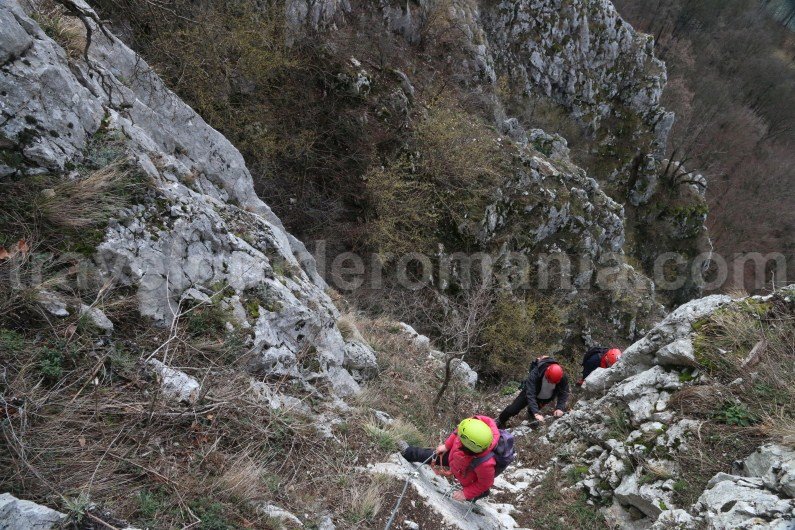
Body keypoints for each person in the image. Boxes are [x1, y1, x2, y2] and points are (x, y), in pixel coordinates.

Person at [401, 416, 499, 502]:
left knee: (472, 490)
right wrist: (447, 446)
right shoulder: (471, 425)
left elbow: (485, 483)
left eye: (461, 442)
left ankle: (480, 494)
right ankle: (408, 452)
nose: (458, 439)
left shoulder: (485, 464)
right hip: (454, 457)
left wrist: (466, 493)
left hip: (468, 473)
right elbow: (456, 432)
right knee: (432, 455)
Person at [496, 356, 570, 429]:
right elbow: (530, 393)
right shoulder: (536, 373)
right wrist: (536, 413)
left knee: (532, 412)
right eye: (549, 380)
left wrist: (560, 408)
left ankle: (531, 416)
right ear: (547, 372)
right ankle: (500, 420)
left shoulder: (562, 377)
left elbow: (564, 392)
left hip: (544, 398)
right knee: (513, 409)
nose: (550, 383)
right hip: (528, 393)